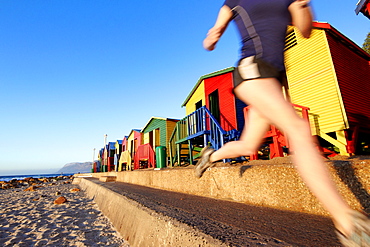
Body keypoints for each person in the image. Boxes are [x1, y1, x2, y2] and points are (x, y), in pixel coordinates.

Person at [195, 0, 370, 246]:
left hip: (274, 80)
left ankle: (211, 156)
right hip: (253, 70)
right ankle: (347, 223)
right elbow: (215, 32)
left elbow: (305, 30)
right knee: (297, 128)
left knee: (248, 146)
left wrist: (302, 6)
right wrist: (212, 36)